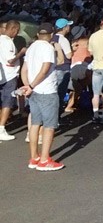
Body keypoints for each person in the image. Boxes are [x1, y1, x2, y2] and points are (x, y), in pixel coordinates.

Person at [19, 23, 64, 171]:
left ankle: (34, 157)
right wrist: (31, 86)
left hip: (34, 91)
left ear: (38, 34)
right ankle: (44, 160)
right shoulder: (48, 48)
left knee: (35, 124)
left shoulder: (31, 47)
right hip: (46, 91)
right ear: (51, 35)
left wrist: (28, 85)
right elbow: (45, 69)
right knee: (49, 126)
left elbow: (24, 69)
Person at [0, 20, 25, 140]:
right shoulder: (8, 42)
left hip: (2, 75)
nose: (17, 33)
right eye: (17, 30)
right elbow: (11, 60)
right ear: (13, 29)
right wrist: (21, 53)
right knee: (7, 102)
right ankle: (1, 128)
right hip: (9, 75)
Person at [52, 18, 73, 113]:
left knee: (53, 93)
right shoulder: (63, 39)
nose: (69, 27)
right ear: (64, 28)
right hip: (63, 68)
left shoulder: (52, 38)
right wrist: (73, 50)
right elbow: (68, 55)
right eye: (68, 25)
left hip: (53, 68)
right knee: (60, 94)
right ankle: (57, 118)